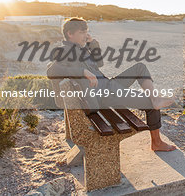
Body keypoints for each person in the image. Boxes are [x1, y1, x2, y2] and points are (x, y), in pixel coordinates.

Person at [47, 17, 176, 152]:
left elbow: (99, 63)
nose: (86, 35)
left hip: (109, 85)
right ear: (70, 34)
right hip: (106, 95)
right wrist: (82, 71)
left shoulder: (80, 48)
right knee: (150, 105)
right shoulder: (64, 51)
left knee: (140, 67)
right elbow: (51, 70)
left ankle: (155, 98)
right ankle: (157, 142)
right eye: (82, 32)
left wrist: (92, 44)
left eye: (87, 31)